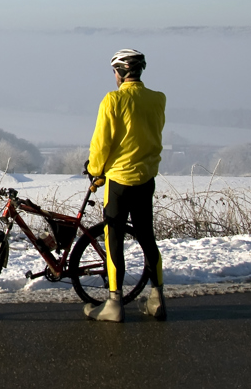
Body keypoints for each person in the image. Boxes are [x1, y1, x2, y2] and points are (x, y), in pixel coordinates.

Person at [83, 49, 167, 323]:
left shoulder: (113, 100)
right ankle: (156, 298)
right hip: (147, 179)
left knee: (115, 239)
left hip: (119, 180)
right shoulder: (157, 100)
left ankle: (114, 304)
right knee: (146, 236)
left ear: (120, 73)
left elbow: (102, 142)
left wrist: (95, 171)